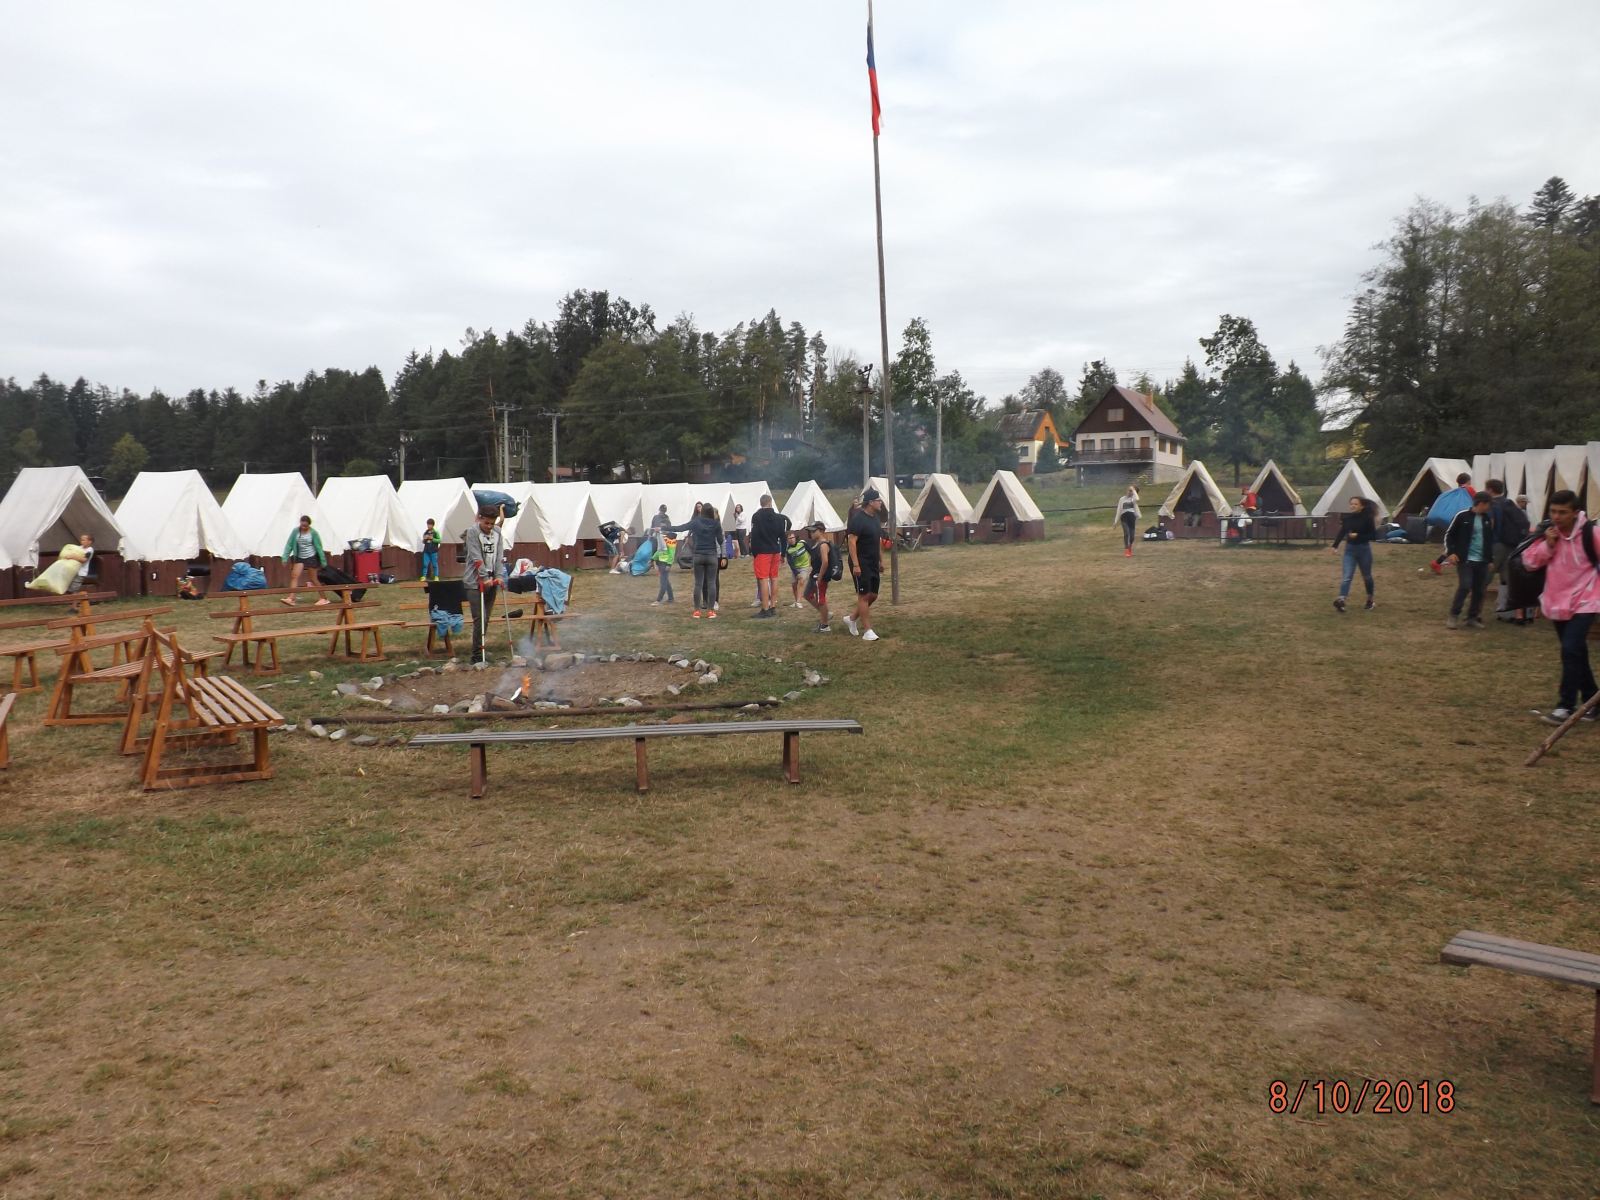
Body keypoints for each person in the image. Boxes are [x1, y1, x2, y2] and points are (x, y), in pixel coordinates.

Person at [1521, 490, 1600, 723]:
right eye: (1553, 511)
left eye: (1563, 512)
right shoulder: (1547, 532)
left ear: (1575, 512)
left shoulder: (1592, 534)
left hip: (1586, 599)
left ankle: (1565, 706)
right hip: (1556, 601)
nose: (1557, 516)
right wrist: (1548, 544)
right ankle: (1593, 700)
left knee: (1570, 649)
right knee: (1576, 652)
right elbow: (1529, 562)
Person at [1443, 490, 1497, 629]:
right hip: (1465, 559)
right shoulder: (1462, 516)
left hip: (1482, 560)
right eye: (1488, 504)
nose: (1489, 507)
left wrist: (1490, 559)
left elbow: (1488, 540)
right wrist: (1451, 552)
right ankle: (1454, 615)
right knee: (1465, 586)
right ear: (1481, 503)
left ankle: (1472, 617)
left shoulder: (1486, 519)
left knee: (1479, 590)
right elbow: (1449, 534)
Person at [463, 504, 506, 664]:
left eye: (492, 523)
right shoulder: (472, 532)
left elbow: (499, 556)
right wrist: (484, 576)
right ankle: (476, 655)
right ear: (480, 519)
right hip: (474, 581)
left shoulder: (497, 533)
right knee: (479, 618)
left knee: (486, 618)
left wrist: (499, 576)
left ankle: (481, 649)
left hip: (491, 580)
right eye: (486, 523)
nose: (489, 526)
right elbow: (476, 556)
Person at [666, 503, 724, 618]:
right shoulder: (716, 523)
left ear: (702, 512)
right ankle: (711, 611)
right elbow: (721, 541)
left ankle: (697, 611)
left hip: (698, 555)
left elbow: (680, 528)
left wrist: (664, 528)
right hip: (711, 555)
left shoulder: (696, 522)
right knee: (711, 583)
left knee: (698, 583)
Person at [1487, 477, 1532, 624]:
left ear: (1490, 490)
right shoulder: (1510, 503)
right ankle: (1507, 612)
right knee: (1507, 579)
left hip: (1497, 545)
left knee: (1486, 576)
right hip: (1513, 545)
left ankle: (1475, 612)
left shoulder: (1493, 504)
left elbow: (1491, 525)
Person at [845, 487, 885, 642]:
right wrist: (856, 564)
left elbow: (878, 541)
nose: (880, 502)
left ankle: (852, 618)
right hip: (861, 562)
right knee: (863, 595)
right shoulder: (858, 519)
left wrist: (881, 560)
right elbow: (851, 542)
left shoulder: (875, 518)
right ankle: (868, 631)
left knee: (873, 595)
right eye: (878, 500)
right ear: (870, 502)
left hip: (873, 561)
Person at [1330, 495, 1378, 612]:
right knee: (1347, 576)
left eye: (1356, 504)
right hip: (1350, 550)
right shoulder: (1347, 518)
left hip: (1364, 550)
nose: (1353, 506)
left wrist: (1358, 536)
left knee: (1367, 576)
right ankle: (1341, 600)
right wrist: (1335, 546)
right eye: (1351, 504)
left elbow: (1373, 535)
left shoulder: (1367, 518)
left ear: (1361, 506)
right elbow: (1342, 531)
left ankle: (1370, 600)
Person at [748, 493, 791, 619]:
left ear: (761, 503)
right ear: (770, 502)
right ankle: (773, 606)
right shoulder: (779, 518)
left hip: (762, 551)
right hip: (775, 551)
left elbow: (754, 536)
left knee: (763, 580)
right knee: (774, 578)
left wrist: (754, 552)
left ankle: (765, 608)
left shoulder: (756, 516)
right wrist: (783, 553)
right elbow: (783, 537)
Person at [1425, 472, 1477, 574]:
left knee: (1455, 544)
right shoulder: (1469, 490)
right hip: (1463, 521)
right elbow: (1477, 500)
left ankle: (1437, 563)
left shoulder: (1453, 492)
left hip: (1452, 520)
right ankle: (1438, 563)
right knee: (1461, 543)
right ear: (1468, 481)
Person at [280, 515, 330, 605]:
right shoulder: (295, 531)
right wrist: (285, 557)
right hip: (299, 557)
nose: (303, 527)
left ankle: (324, 598)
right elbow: (289, 544)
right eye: (302, 525)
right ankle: (291, 598)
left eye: (305, 526)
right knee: (294, 576)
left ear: (309, 525)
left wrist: (323, 561)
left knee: (313, 578)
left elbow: (319, 547)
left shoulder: (313, 533)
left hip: (311, 556)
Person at [803, 521, 834, 632]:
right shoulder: (817, 543)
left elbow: (825, 562)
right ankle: (825, 614)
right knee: (807, 594)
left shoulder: (823, 545)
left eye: (813, 531)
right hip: (814, 575)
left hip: (820, 576)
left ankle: (825, 625)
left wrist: (820, 576)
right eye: (810, 531)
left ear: (821, 531)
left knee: (821, 600)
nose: (811, 533)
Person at [785, 528, 811, 608]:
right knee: (794, 585)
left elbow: (811, 551)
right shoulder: (788, 550)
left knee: (801, 581)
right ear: (787, 540)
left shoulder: (802, 543)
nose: (791, 540)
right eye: (789, 538)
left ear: (795, 537)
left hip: (804, 566)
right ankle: (796, 601)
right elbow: (791, 563)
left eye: (793, 537)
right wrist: (796, 573)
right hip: (796, 568)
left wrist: (813, 563)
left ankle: (799, 602)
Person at [650, 531, 677, 606]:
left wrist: (669, 564)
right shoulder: (665, 541)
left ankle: (659, 600)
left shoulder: (670, 542)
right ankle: (671, 598)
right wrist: (652, 559)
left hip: (664, 564)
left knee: (663, 583)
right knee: (666, 582)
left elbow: (671, 554)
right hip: (662, 563)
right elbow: (659, 551)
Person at [1114, 487, 1141, 557]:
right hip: (1124, 518)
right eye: (1129, 490)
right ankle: (1126, 549)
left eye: (1131, 491)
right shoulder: (1122, 499)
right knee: (1126, 533)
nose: (1129, 492)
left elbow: (1137, 498)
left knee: (1132, 536)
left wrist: (1134, 490)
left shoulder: (1133, 499)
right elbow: (1119, 510)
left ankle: (1129, 547)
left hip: (1132, 518)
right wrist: (1115, 521)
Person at [420, 518, 441, 583]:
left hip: (433, 551)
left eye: (429, 524)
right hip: (426, 551)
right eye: (428, 524)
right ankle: (424, 576)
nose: (428, 526)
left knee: (434, 564)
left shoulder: (435, 532)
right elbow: (423, 541)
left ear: (432, 525)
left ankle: (436, 576)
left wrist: (432, 538)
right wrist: (424, 539)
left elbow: (439, 540)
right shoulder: (426, 532)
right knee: (425, 564)